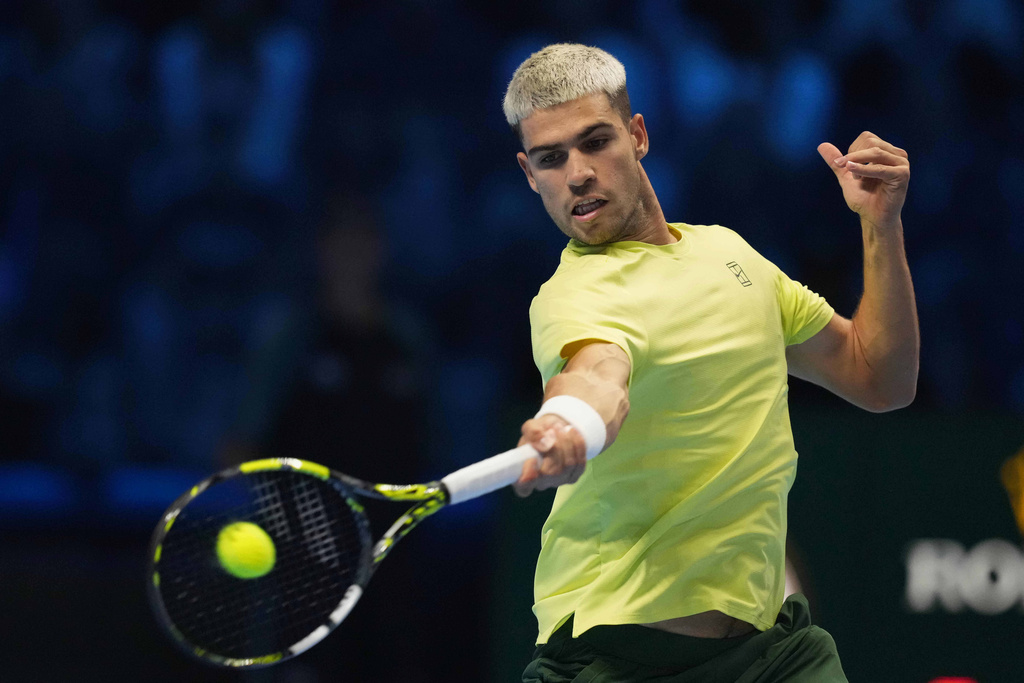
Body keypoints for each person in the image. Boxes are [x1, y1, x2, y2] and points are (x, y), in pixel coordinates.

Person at [504, 44, 918, 682]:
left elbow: (879, 378)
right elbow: (595, 377)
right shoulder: (574, 297)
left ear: (638, 135)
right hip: (618, 659)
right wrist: (568, 422)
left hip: (771, 653)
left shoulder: (731, 256)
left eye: (595, 142)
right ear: (530, 175)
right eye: (551, 159)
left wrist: (879, 225)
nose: (578, 174)